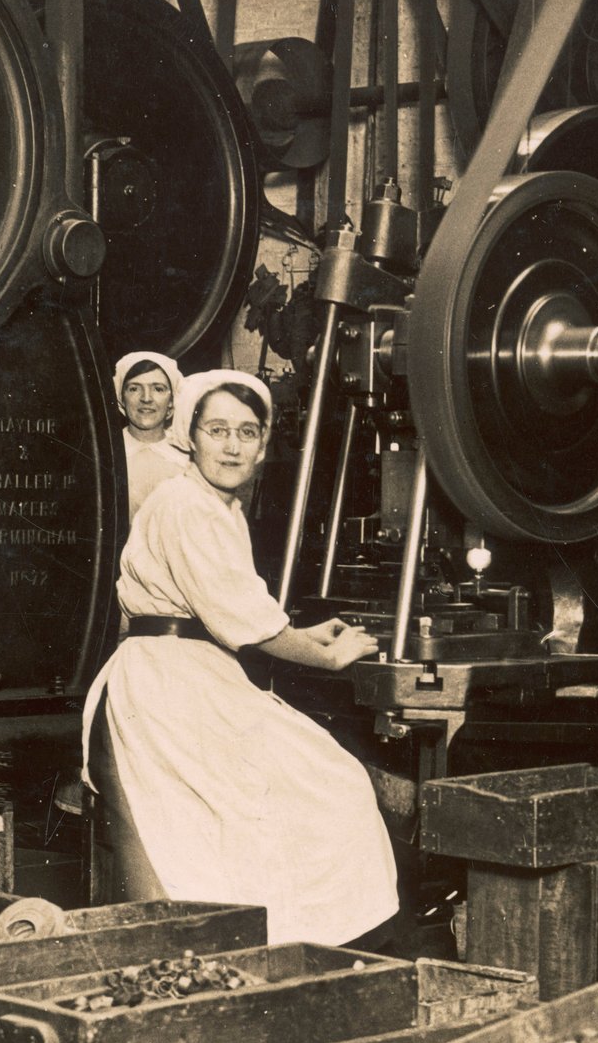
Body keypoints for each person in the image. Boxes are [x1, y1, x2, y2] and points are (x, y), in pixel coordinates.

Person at [84, 369, 398, 945]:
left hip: (194, 673)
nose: (231, 446)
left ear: (263, 445)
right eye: (218, 430)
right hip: (163, 688)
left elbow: (236, 607)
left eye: (247, 433)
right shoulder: (185, 504)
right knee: (328, 788)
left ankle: (282, 945)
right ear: (191, 435)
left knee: (315, 788)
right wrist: (325, 656)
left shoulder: (216, 506)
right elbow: (246, 624)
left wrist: (301, 631)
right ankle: (267, 947)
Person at [112, 350, 190, 523]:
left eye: (158, 389)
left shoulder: (187, 459)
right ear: (121, 399)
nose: (146, 398)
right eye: (134, 388)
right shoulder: (108, 453)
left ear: (172, 401)